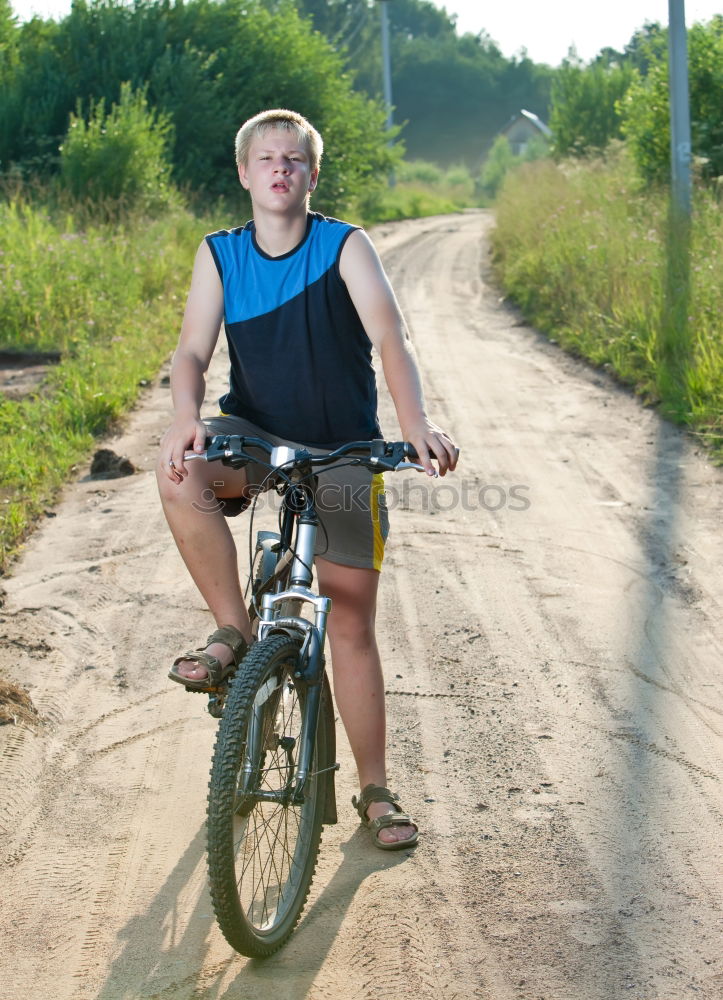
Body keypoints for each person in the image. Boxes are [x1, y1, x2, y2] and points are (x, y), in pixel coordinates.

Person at [156, 108, 458, 850]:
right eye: (267, 159)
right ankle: (235, 627)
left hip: (346, 448)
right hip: (255, 436)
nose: (280, 170)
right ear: (244, 172)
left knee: (350, 620)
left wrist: (413, 423)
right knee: (179, 474)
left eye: (294, 159)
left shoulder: (344, 245)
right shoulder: (221, 254)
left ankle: (374, 791)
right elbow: (192, 351)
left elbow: (390, 335)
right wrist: (183, 416)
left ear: (311, 174)